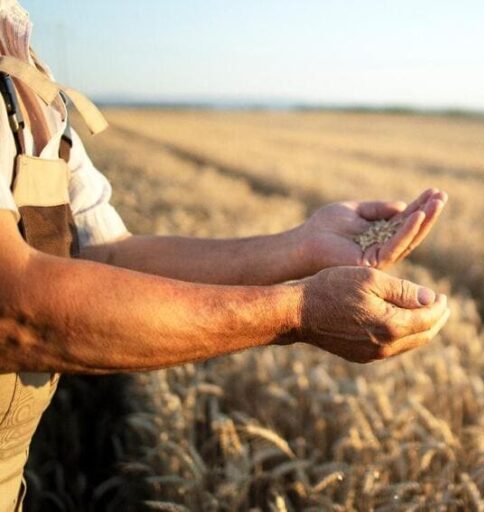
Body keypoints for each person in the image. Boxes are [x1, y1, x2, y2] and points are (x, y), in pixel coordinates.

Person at [0, 1, 450, 509]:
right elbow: (13, 308)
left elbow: (101, 256)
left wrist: (300, 246)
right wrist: (298, 312)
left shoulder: (20, 62)